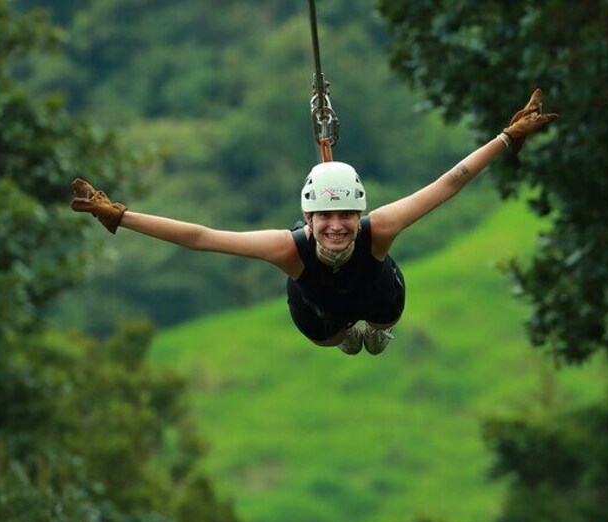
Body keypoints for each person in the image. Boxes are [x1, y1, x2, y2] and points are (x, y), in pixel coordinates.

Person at [71, 89, 557, 355]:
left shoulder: (380, 229)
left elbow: (450, 181)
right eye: (325, 216)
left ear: (360, 213)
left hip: (375, 293)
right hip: (319, 310)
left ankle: (373, 332)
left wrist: (508, 138)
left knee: (386, 312)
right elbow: (200, 238)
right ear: (308, 217)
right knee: (328, 338)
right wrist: (121, 217)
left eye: (346, 214)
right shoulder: (287, 248)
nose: (337, 226)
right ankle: (347, 337)